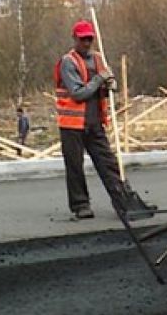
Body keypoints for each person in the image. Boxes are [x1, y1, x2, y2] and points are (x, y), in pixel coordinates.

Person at [55, 20, 136, 220]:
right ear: (75, 38)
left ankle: (122, 200)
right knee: (75, 166)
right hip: (72, 125)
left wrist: (111, 83)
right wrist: (100, 79)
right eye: (83, 39)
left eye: (89, 39)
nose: (86, 43)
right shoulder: (68, 62)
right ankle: (81, 205)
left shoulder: (99, 59)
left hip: (94, 122)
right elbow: (78, 94)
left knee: (108, 163)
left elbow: (108, 86)